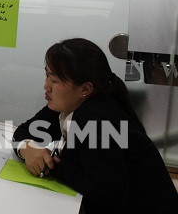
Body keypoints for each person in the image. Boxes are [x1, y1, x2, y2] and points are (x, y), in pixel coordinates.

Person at [13, 38, 178, 214]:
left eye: (54, 80)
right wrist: (27, 148)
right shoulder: (68, 104)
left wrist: (52, 164)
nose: (46, 86)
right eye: (47, 75)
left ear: (85, 89)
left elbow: (108, 199)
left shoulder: (95, 120)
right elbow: (23, 131)